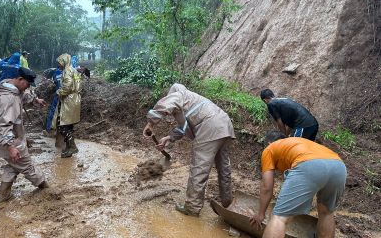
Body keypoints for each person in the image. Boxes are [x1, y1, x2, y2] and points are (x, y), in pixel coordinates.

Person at [143, 83, 236, 217]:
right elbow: (184, 127)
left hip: (209, 127)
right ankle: (227, 202)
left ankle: (192, 207)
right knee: (224, 167)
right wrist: (169, 138)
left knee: (199, 168)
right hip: (224, 125)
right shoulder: (192, 103)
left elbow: (165, 105)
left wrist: (150, 123)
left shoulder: (180, 94)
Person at [250, 131, 347, 238]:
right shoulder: (295, 143)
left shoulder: (269, 149)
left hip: (310, 164)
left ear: (269, 143)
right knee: (326, 213)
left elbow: (266, 187)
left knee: (279, 217)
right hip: (338, 166)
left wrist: (260, 214)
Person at [0, 67, 48, 202]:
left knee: (14, 165)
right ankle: (46, 189)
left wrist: (35, 100)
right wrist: (11, 147)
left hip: (1, 137)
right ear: (20, 79)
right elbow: (4, 125)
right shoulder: (8, 99)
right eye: (27, 84)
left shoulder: (8, 85)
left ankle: (3, 196)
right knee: (26, 165)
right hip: (9, 139)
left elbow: (22, 95)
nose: (27, 88)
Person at [54, 54, 82, 158]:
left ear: (64, 61)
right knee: (69, 125)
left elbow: (68, 86)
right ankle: (69, 147)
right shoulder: (74, 70)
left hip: (68, 100)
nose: (58, 65)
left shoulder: (67, 71)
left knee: (63, 125)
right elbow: (78, 83)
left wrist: (59, 92)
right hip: (75, 99)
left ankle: (73, 147)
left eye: (59, 62)